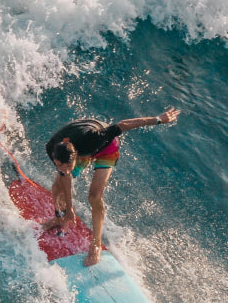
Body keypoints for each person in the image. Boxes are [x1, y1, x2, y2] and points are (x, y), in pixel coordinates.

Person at [41, 108, 180, 266]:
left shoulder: (95, 138)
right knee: (58, 185)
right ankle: (59, 218)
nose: (63, 169)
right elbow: (64, 177)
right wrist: (68, 208)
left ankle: (96, 244)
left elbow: (123, 124)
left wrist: (158, 119)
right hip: (77, 142)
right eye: (59, 165)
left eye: (67, 166)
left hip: (106, 146)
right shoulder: (53, 149)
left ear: (75, 158)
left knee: (94, 195)